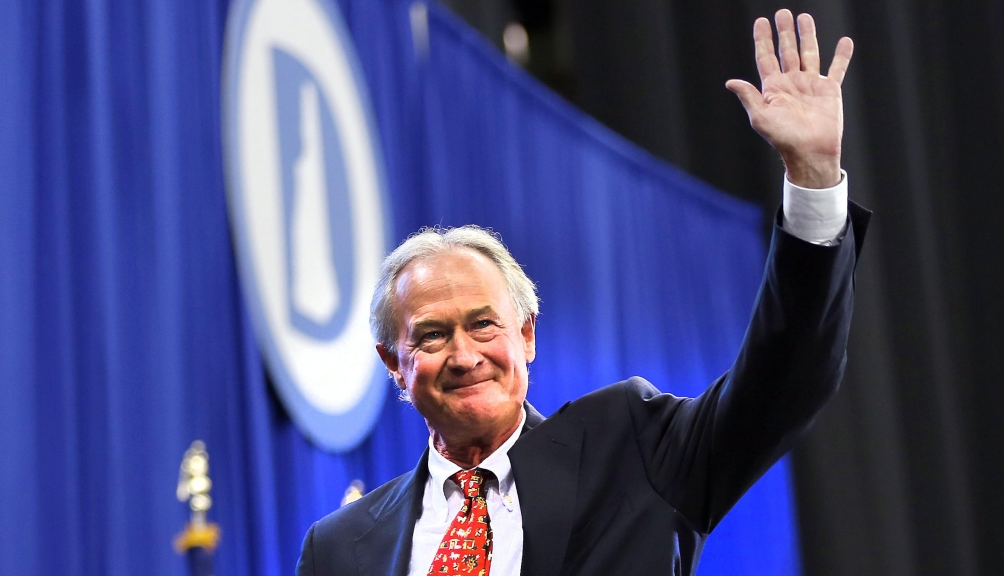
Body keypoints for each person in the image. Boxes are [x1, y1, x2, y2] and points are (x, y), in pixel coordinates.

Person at [296, 9, 869, 576]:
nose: (465, 355)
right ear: (393, 363)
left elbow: (783, 383)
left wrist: (813, 178)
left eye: (484, 324)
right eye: (432, 335)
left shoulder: (631, 451)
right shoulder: (340, 548)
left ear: (526, 334)